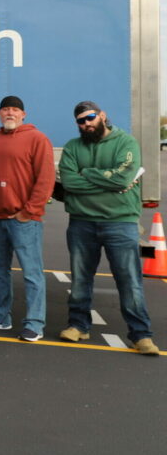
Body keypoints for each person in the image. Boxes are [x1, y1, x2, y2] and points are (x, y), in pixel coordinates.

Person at [58, 101, 159, 355]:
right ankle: (78, 325)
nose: (86, 123)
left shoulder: (126, 143)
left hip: (120, 222)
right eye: (81, 120)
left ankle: (141, 335)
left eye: (90, 117)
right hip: (82, 222)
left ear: (102, 115)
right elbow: (69, 182)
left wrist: (87, 173)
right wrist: (107, 179)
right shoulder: (72, 147)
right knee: (80, 279)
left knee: (129, 281)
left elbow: (124, 178)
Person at [0, 96, 55, 341]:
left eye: (15, 110)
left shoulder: (37, 139)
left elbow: (45, 180)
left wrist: (28, 212)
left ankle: (34, 323)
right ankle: (0, 317)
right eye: (6, 109)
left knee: (32, 274)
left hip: (24, 221)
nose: (10, 113)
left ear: (24, 114)